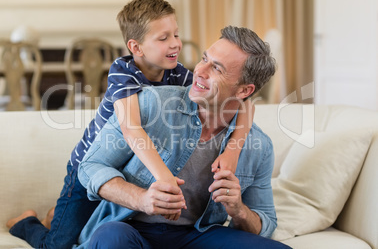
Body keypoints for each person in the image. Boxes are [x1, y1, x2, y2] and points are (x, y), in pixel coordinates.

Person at [6, 0, 251, 248]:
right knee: (58, 246)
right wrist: (163, 176)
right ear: (136, 47)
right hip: (91, 168)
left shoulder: (177, 73)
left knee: (91, 230)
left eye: (176, 34)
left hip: (127, 172)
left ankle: (55, 217)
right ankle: (26, 222)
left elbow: (244, 102)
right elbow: (132, 129)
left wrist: (233, 150)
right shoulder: (123, 72)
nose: (175, 43)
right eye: (163, 38)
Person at [75, 26, 291, 249]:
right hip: (132, 228)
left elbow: (266, 222)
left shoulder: (259, 147)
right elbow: (90, 166)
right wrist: (141, 199)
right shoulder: (149, 104)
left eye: (216, 68)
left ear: (244, 91)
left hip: (197, 235)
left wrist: (239, 210)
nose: (200, 70)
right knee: (112, 238)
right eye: (204, 58)